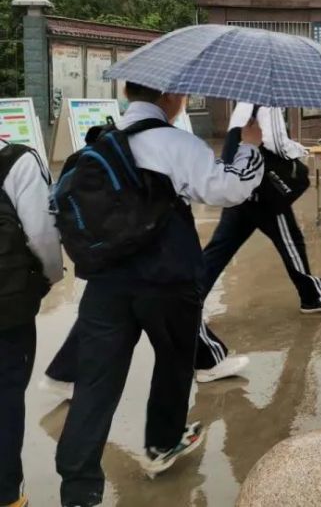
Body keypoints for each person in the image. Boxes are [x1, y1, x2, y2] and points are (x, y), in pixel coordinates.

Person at [54, 83, 264, 506]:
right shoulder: (176, 142)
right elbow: (228, 189)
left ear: (131, 95)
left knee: (95, 384)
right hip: (167, 280)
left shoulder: (101, 144)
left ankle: (78, 491)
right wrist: (248, 148)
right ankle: (161, 445)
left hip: (107, 284)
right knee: (173, 360)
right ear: (171, 97)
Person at [191, 104, 321, 384]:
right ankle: (311, 296)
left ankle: (191, 299)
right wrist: (296, 151)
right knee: (290, 239)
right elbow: (273, 141)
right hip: (263, 183)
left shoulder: (242, 102)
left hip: (242, 179)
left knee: (221, 246)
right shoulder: (264, 102)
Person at [0, 139, 61, 507]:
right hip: (7, 309)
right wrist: (50, 277)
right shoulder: (16, 160)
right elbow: (42, 234)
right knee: (5, 396)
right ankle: (7, 496)